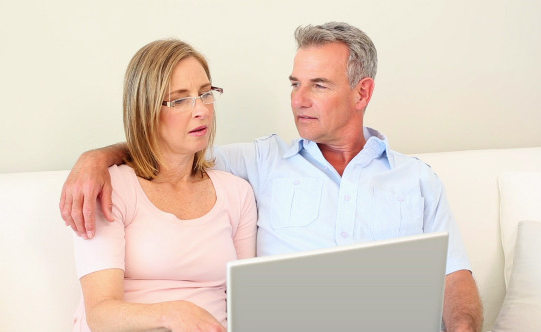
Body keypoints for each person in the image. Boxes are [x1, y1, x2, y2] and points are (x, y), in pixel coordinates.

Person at [61, 23, 483, 331]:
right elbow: (170, 155)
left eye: (318, 85)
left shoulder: (418, 180)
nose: (299, 100)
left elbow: (455, 281)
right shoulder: (260, 163)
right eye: (295, 83)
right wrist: (96, 158)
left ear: (362, 93)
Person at [70, 39, 257, 332]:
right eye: (180, 100)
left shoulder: (237, 193)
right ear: (146, 111)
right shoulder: (111, 188)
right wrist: (172, 314)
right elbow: (99, 314)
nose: (202, 110)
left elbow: (247, 307)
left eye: (206, 94)